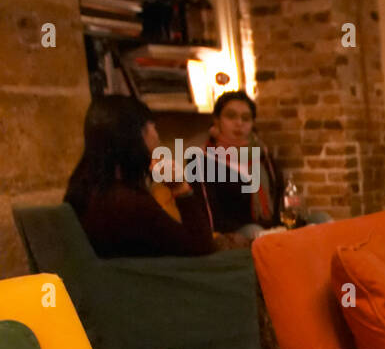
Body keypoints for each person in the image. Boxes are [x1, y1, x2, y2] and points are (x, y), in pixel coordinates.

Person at [65, 96, 215, 258]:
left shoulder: (85, 191)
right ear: (137, 134)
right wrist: (181, 188)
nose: (157, 137)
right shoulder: (128, 204)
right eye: (153, 127)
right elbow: (202, 250)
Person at [195, 91, 284, 236]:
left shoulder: (263, 157)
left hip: (270, 231)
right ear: (217, 120)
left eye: (246, 118)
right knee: (256, 232)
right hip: (230, 234)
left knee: (318, 219)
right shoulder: (202, 160)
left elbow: (280, 202)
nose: (239, 123)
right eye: (231, 116)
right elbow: (209, 216)